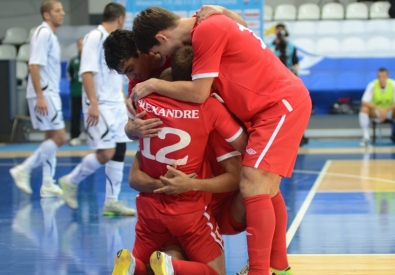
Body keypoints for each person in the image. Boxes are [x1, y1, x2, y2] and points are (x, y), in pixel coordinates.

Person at [131, 7, 312, 275]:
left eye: (160, 51)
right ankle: (279, 267)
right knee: (266, 187)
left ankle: (260, 271)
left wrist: (154, 85)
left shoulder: (206, 29)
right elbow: (240, 27)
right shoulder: (208, 22)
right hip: (266, 107)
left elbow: (199, 92)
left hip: (278, 105)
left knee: (253, 182)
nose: (164, 57)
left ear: (161, 37)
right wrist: (225, 10)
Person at [111, 46, 247, 275]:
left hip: (149, 210)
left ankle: (134, 266)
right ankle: (172, 266)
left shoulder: (143, 100)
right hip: (189, 209)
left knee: (150, 263)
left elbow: (134, 177)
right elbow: (243, 150)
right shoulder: (209, 107)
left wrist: (129, 129)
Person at [58, 3, 135, 216]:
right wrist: (92, 102)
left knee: (119, 151)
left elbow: (115, 77)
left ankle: (111, 202)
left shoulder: (114, 42)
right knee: (106, 153)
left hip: (115, 104)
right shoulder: (95, 37)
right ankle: (70, 181)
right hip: (99, 104)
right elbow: (86, 72)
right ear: (120, 18)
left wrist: (124, 99)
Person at [9, 0, 66, 197]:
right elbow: (33, 66)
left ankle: (48, 184)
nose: (63, 13)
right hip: (45, 92)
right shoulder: (43, 33)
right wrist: (41, 96)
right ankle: (24, 169)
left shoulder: (49, 34)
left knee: (50, 137)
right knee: (60, 137)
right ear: (46, 15)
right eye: (58, 10)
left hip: (48, 91)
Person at [270, 23, 309, 147]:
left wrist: (297, 77)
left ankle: (298, 136)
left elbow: (295, 62)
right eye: (278, 30)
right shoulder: (269, 46)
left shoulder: (291, 46)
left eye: (282, 30)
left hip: (289, 79)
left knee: (294, 107)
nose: (280, 32)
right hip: (274, 80)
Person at [359, 68, 395, 147]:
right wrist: (378, 108)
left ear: (387, 76)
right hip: (376, 112)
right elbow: (364, 101)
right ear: (377, 77)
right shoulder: (372, 85)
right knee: (364, 109)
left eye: (384, 76)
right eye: (380, 76)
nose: (381, 79)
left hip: (390, 112)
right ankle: (366, 137)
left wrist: (385, 110)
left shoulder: (393, 84)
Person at [67, 38, 84, 146]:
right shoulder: (73, 59)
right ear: (77, 46)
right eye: (80, 45)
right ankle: (74, 136)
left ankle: (91, 135)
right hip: (76, 91)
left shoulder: (91, 58)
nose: (82, 47)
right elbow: (69, 73)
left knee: (91, 115)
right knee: (75, 114)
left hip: (88, 92)